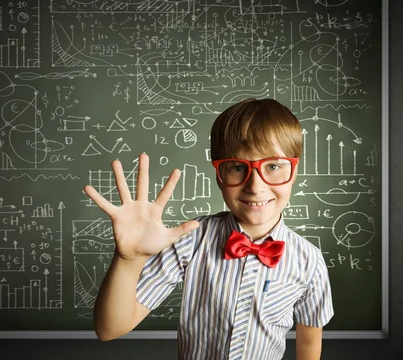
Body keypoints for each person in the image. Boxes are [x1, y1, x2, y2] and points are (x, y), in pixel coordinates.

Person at [83, 98, 334, 360]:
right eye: (238, 167)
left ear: (294, 170)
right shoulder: (191, 239)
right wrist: (128, 259)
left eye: (273, 166)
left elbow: (308, 343)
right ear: (218, 172)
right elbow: (109, 329)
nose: (256, 187)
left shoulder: (309, 261)